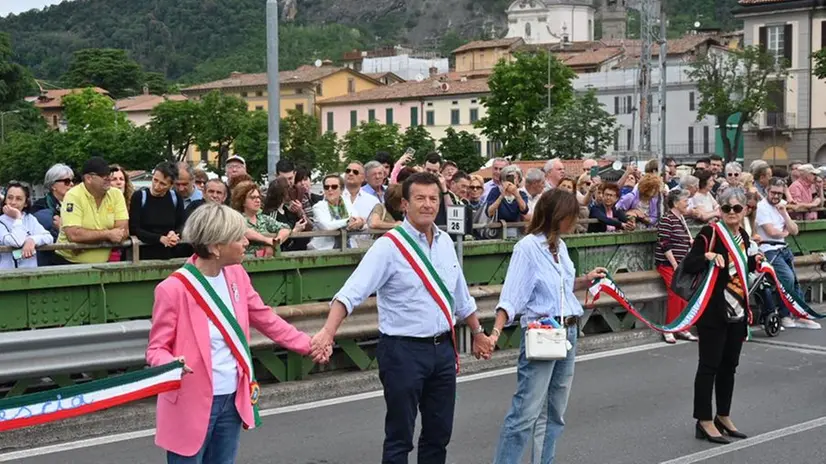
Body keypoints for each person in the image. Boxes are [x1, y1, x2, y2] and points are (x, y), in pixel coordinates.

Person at [311, 172, 494, 464]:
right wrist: (327, 332)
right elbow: (351, 293)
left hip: (442, 351)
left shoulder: (446, 242)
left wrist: (478, 333)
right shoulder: (389, 246)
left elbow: (460, 296)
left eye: (433, 198)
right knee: (400, 436)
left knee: (439, 434)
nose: (427, 204)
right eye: (419, 198)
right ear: (404, 204)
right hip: (403, 351)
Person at [146, 203, 330, 463]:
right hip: (190, 401)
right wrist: (171, 364)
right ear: (215, 246)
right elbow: (156, 349)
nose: (246, 242)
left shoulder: (236, 275)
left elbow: (264, 318)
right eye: (238, 237)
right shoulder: (173, 289)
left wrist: (308, 344)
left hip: (232, 398)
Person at [489, 189, 607, 464]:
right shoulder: (528, 248)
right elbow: (512, 295)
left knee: (555, 411)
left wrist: (584, 280)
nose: (575, 222)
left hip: (568, 331)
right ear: (557, 216)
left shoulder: (560, 247)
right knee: (525, 412)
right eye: (571, 217)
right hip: (543, 333)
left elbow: (559, 287)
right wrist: (496, 331)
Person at [681, 188, 759, 445]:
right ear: (720, 210)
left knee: (730, 366)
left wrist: (757, 259)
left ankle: (723, 415)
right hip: (713, 311)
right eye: (727, 209)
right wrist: (707, 255)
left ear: (745, 210)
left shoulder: (744, 237)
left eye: (737, 208)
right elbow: (689, 263)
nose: (732, 213)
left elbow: (745, 266)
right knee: (709, 366)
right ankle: (703, 420)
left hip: (737, 309)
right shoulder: (710, 233)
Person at [755, 177, 820, 330]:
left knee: (795, 282)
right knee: (787, 279)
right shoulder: (761, 207)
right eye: (773, 192)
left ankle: (801, 314)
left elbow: (795, 230)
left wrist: (784, 214)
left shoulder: (782, 205)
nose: (776, 196)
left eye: (779, 193)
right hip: (768, 249)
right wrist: (785, 232)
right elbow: (772, 232)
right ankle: (785, 315)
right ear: (767, 190)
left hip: (783, 248)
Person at [55, 157, 129, 265]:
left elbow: (122, 232)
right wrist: (108, 234)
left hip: (103, 264)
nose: (108, 178)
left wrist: (86, 242)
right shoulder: (73, 195)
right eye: (103, 175)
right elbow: (74, 235)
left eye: (109, 174)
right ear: (89, 178)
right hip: (68, 263)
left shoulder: (116, 194)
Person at [655, 189, 697, 344]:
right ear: (675, 202)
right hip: (668, 264)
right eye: (685, 200)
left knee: (684, 294)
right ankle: (669, 327)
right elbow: (664, 243)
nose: (687, 203)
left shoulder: (681, 219)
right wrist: (674, 264)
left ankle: (682, 326)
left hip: (681, 263)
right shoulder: (667, 219)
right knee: (675, 293)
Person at [129, 162, 186, 260]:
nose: (156, 186)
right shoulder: (139, 196)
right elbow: (134, 228)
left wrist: (175, 234)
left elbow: (181, 224)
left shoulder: (175, 198)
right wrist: (159, 238)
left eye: (163, 184)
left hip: (169, 254)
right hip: (145, 254)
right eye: (155, 180)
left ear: (171, 185)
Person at [231, 181, 295, 257]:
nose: (258, 201)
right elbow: (243, 230)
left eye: (258, 197)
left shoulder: (264, 218)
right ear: (242, 201)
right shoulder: (235, 219)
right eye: (252, 198)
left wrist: (278, 240)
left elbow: (286, 228)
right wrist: (267, 240)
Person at [0, 181, 53, 269]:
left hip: (30, 273)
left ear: (26, 203)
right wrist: (18, 217)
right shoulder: (1, 221)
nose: (13, 202)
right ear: (5, 200)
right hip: (7, 275)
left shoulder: (30, 218)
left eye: (19, 199)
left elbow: (48, 237)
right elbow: (16, 242)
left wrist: (32, 240)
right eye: (10, 198)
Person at [32, 163, 74, 265]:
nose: (72, 184)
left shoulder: (78, 204)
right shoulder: (40, 207)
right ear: (53, 185)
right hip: (50, 259)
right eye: (67, 181)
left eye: (72, 180)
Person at [309, 174, 364, 251]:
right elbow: (327, 226)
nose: (330, 189)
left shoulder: (347, 203)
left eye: (334, 187)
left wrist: (360, 222)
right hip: (323, 250)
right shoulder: (318, 207)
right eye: (326, 187)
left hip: (349, 247)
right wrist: (348, 221)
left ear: (341, 189)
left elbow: (356, 219)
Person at [486, 165, 529, 237]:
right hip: (497, 232)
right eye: (507, 178)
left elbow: (524, 210)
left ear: (518, 180)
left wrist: (516, 194)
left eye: (514, 178)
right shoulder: (495, 191)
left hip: (516, 231)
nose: (510, 181)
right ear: (502, 180)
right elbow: (489, 212)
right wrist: (501, 195)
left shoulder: (522, 194)